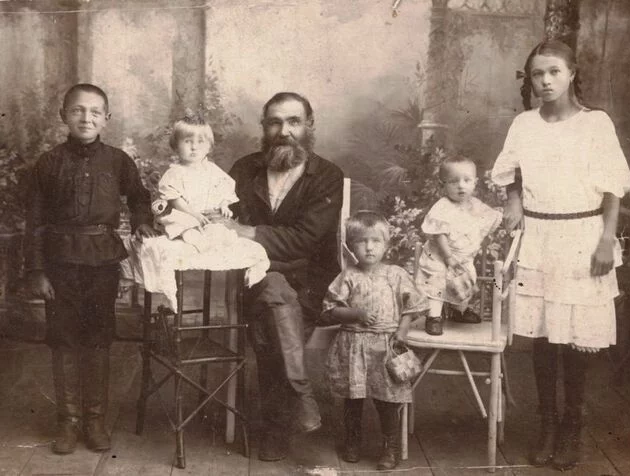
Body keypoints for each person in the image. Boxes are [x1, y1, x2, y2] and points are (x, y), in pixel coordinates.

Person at [491, 40, 630, 470]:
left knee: (573, 339)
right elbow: (510, 172)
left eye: (554, 72)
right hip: (539, 236)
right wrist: (514, 199)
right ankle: (547, 424)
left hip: (583, 235)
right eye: (538, 74)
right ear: (529, 79)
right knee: (542, 340)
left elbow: (612, 188)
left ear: (572, 74)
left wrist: (607, 239)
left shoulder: (596, 124)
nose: (546, 81)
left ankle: (572, 425)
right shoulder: (524, 125)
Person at [24, 83, 157, 454]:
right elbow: (33, 220)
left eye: (95, 112)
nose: (87, 118)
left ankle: (95, 420)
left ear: (107, 119)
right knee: (64, 338)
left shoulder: (118, 161)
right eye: (78, 111)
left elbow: (140, 198)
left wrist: (143, 220)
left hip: (101, 262)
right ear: (63, 115)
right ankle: (68, 422)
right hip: (60, 262)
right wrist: (36, 270)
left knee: (98, 337)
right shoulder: (48, 163)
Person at [228, 92, 344, 461]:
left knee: (274, 301)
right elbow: (221, 223)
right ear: (264, 128)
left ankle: (275, 427)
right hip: (250, 281)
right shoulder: (243, 170)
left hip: (309, 285)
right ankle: (301, 397)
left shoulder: (326, 176)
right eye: (275, 122)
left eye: (293, 122)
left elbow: (307, 240)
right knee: (271, 295)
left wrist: (250, 234)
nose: (284, 131)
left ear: (309, 126)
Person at [321, 211, 427, 470]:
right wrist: (355, 313)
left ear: (386, 245)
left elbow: (414, 306)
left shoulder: (395, 274)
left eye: (376, 241)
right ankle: (353, 441)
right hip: (353, 345)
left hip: (385, 345)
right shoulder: (348, 276)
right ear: (350, 246)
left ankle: (389, 446)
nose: (369, 247)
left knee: (387, 400)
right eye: (361, 241)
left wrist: (402, 331)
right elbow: (329, 310)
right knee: (353, 399)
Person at [414, 155, 502, 336]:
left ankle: (458, 311)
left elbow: (491, 217)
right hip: (440, 256)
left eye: (466, 180)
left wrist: (506, 217)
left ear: (475, 183)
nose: (461, 185)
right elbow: (439, 235)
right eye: (453, 182)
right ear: (442, 185)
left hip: (462, 257)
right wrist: (448, 257)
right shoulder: (442, 207)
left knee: (463, 281)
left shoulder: (475, 205)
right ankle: (434, 317)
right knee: (437, 283)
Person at [154, 114, 238, 251]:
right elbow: (175, 200)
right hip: (186, 213)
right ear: (176, 146)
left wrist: (224, 204)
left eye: (200, 142)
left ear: (209, 147)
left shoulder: (212, 170)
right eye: (187, 141)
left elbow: (224, 188)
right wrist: (194, 214)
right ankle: (193, 237)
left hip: (208, 214)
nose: (194, 147)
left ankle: (216, 239)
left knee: (218, 228)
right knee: (182, 222)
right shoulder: (175, 173)